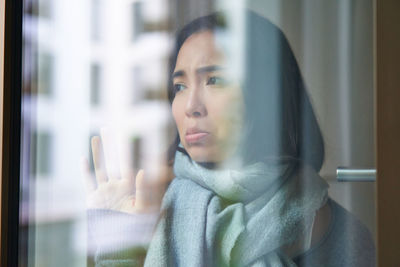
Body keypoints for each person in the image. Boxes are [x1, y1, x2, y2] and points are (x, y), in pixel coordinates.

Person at [84, 10, 376, 267]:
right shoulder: (152, 211)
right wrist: (117, 245)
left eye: (215, 80)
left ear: (267, 93)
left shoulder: (342, 235)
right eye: (180, 86)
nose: (191, 106)